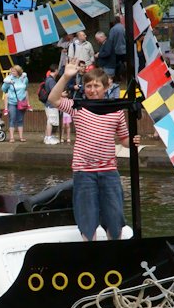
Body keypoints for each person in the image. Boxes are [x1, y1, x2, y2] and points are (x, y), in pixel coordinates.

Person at [47, 62, 140, 240]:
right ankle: (91, 253)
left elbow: (124, 140)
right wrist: (66, 76)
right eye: (88, 86)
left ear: (106, 87)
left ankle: (114, 254)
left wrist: (133, 141)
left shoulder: (116, 111)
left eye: (96, 85)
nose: (92, 89)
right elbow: (53, 99)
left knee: (114, 218)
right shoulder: (78, 106)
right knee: (87, 220)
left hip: (109, 172)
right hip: (84, 173)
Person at [1, 64, 29, 142]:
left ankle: (21, 137)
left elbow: (26, 88)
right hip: (12, 102)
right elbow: (3, 89)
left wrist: (27, 101)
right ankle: (12, 137)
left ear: (18, 71)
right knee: (12, 118)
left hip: (22, 102)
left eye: (14, 71)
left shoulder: (24, 78)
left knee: (20, 119)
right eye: (11, 71)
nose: (12, 72)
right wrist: (8, 84)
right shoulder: (9, 79)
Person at [43, 63, 59, 145]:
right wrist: (62, 94)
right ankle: (48, 137)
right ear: (56, 70)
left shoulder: (48, 79)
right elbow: (54, 92)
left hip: (48, 104)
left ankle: (47, 137)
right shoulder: (51, 80)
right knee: (51, 121)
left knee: (49, 120)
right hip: (51, 104)